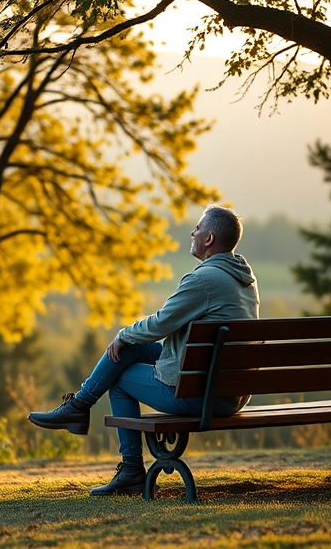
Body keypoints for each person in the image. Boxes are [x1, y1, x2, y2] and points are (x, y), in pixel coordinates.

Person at [28, 204, 261, 495]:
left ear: (209, 238)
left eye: (198, 228)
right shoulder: (245, 280)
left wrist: (123, 333)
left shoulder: (203, 279)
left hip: (203, 395)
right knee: (129, 352)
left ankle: (130, 470)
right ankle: (78, 407)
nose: (193, 231)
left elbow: (161, 323)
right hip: (232, 393)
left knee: (121, 377)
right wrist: (129, 342)